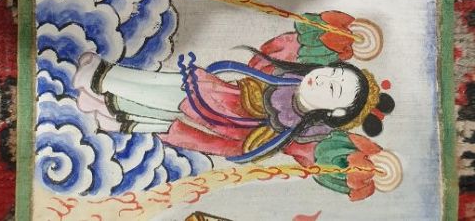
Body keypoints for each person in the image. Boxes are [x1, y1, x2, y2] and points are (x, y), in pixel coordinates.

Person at [73, 48, 395, 164]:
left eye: (333, 88)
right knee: (174, 91)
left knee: (176, 102)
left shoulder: (299, 128)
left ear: (336, 113)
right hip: (227, 98)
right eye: (332, 72)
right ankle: (107, 100)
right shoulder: (290, 80)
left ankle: (104, 80)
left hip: (231, 121)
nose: (323, 78)